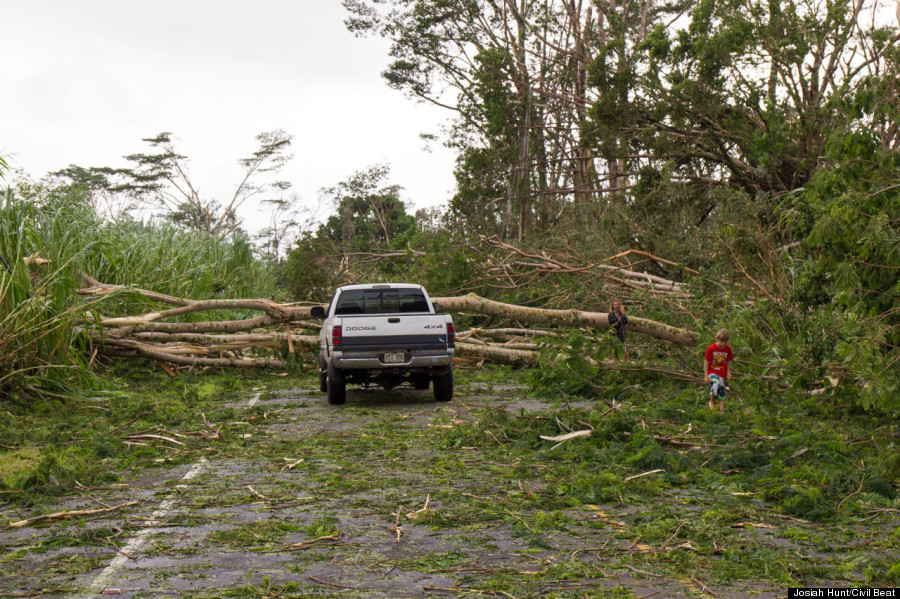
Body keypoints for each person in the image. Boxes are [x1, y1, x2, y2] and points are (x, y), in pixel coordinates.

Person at [704, 328, 734, 411]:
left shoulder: (727, 349)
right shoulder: (711, 348)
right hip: (712, 372)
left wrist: (728, 371)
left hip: (722, 373)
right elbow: (706, 361)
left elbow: (728, 360)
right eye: (721, 341)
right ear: (717, 339)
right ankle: (711, 401)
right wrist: (706, 375)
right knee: (716, 383)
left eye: (725, 342)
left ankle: (722, 411)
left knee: (722, 390)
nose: (723, 343)